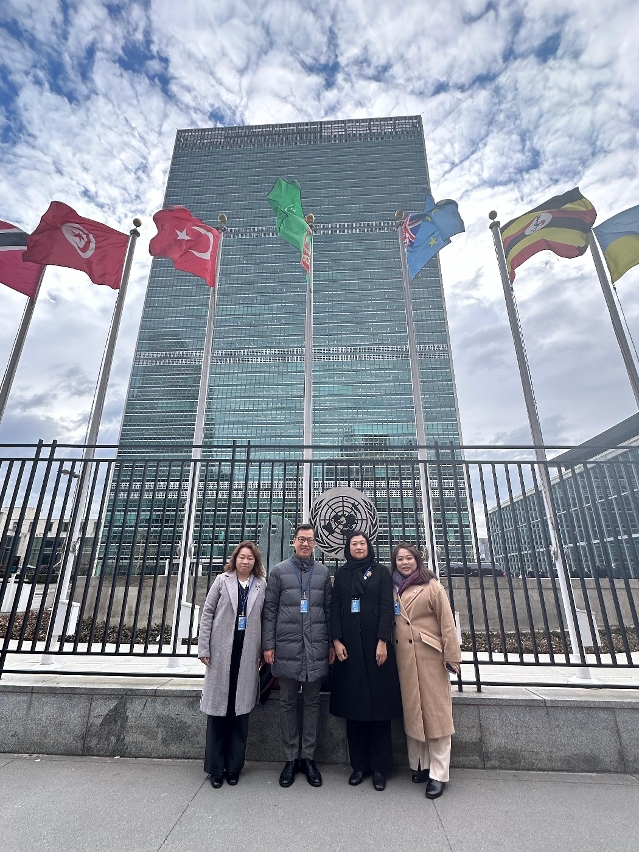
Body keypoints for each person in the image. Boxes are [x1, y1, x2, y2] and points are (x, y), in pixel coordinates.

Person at [262, 523, 334, 788]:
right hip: (287, 647)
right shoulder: (279, 571)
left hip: (315, 647)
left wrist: (330, 644)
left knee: (313, 702)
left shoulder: (323, 572)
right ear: (294, 542)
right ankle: (291, 758)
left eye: (310, 540)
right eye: (301, 539)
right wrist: (268, 645)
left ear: (315, 544)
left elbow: (328, 610)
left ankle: (308, 758)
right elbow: (270, 610)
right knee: (288, 702)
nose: (305, 543)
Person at [330, 531, 402, 791]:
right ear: (348, 548)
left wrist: (383, 640)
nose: (358, 547)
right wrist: (336, 640)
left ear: (368, 546)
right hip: (349, 648)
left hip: (375, 648)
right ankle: (359, 765)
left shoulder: (380, 573)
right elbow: (335, 608)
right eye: (354, 544)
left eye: (362, 543)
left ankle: (381, 767)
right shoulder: (342, 574)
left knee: (379, 710)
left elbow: (386, 607)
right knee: (355, 709)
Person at [391, 543, 461, 800]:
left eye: (409, 558)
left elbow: (447, 622)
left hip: (430, 656)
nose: (404, 562)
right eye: (400, 559)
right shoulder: (391, 588)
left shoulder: (432, 586)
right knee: (414, 712)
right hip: (404, 658)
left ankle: (439, 773)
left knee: (436, 713)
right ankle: (420, 764)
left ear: (417, 560)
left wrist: (452, 656)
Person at [198, 541, 266, 788]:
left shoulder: (261, 585)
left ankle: (234, 766)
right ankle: (215, 768)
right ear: (235, 559)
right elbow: (207, 613)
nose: (245, 561)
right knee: (219, 712)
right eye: (241, 557)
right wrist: (204, 647)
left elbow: (265, 618)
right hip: (221, 652)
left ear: (255, 562)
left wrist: (264, 649)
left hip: (247, 653)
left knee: (240, 713)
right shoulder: (221, 581)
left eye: (250, 558)